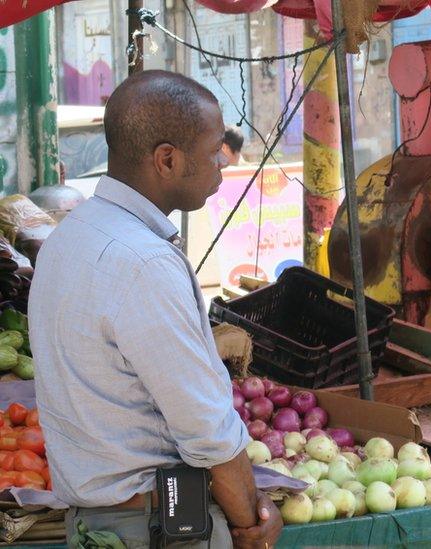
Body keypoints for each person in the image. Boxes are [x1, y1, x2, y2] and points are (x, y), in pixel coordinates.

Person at [29, 70, 282, 547]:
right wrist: (251, 523)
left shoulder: (70, 236)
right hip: (160, 526)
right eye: (213, 154)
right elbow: (208, 431)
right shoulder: (145, 262)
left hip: (94, 523)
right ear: (167, 159)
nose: (220, 168)